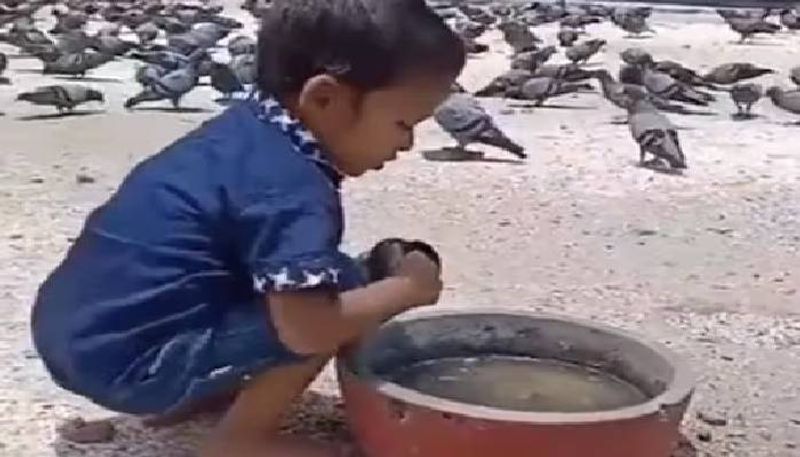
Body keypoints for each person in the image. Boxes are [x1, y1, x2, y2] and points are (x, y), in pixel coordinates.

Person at [30, 0, 466, 456]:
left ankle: (204, 390)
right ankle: (240, 440)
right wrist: (410, 287)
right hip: (131, 364)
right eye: (403, 124)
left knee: (294, 277)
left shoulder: (246, 131)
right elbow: (309, 331)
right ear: (325, 99)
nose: (407, 143)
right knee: (339, 287)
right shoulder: (291, 187)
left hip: (78, 336)